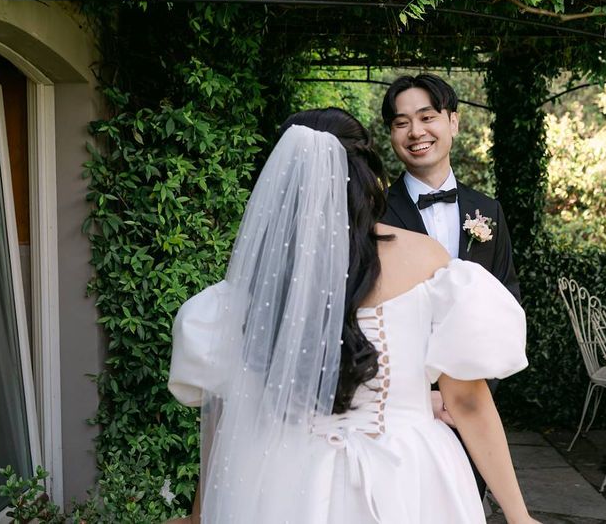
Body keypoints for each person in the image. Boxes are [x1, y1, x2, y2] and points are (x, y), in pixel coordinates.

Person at [168, 107, 539, 523]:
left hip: (280, 480)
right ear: (365, 175)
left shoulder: (256, 285)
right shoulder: (424, 259)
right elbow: (467, 401)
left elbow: (224, 419)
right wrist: (518, 516)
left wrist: (200, 515)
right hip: (405, 477)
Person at [380, 74, 520, 498]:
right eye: (402, 122)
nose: (416, 132)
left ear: (453, 122)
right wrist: (420, 396)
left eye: (427, 117)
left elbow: (506, 304)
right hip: (399, 416)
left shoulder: (488, 210)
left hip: (472, 410)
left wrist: (474, 392)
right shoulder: (374, 213)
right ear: (391, 134)